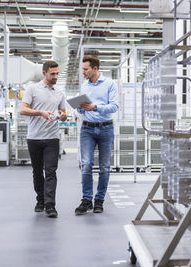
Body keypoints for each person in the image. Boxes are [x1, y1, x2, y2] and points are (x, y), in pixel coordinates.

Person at [20, 60, 67, 218]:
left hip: (52, 138)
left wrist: (63, 115)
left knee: (51, 171)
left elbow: (63, 114)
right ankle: (40, 199)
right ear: (44, 72)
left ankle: (50, 205)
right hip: (34, 138)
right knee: (37, 172)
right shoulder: (32, 89)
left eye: (57, 74)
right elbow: (23, 110)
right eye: (52, 74)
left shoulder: (60, 92)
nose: (55, 76)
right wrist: (40, 113)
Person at [75, 55, 119, 215]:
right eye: (82, 69)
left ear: (95, 69)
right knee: (86, 164)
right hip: (87, 129)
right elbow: (81, 109)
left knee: (105, 167)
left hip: (106, 129)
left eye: (85, 69)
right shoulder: (84, 86)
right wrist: (79, 107)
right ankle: (87, 200)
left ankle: (99, 201)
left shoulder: (110, 84)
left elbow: (114, 106)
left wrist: (95, 107)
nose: (83, 72)